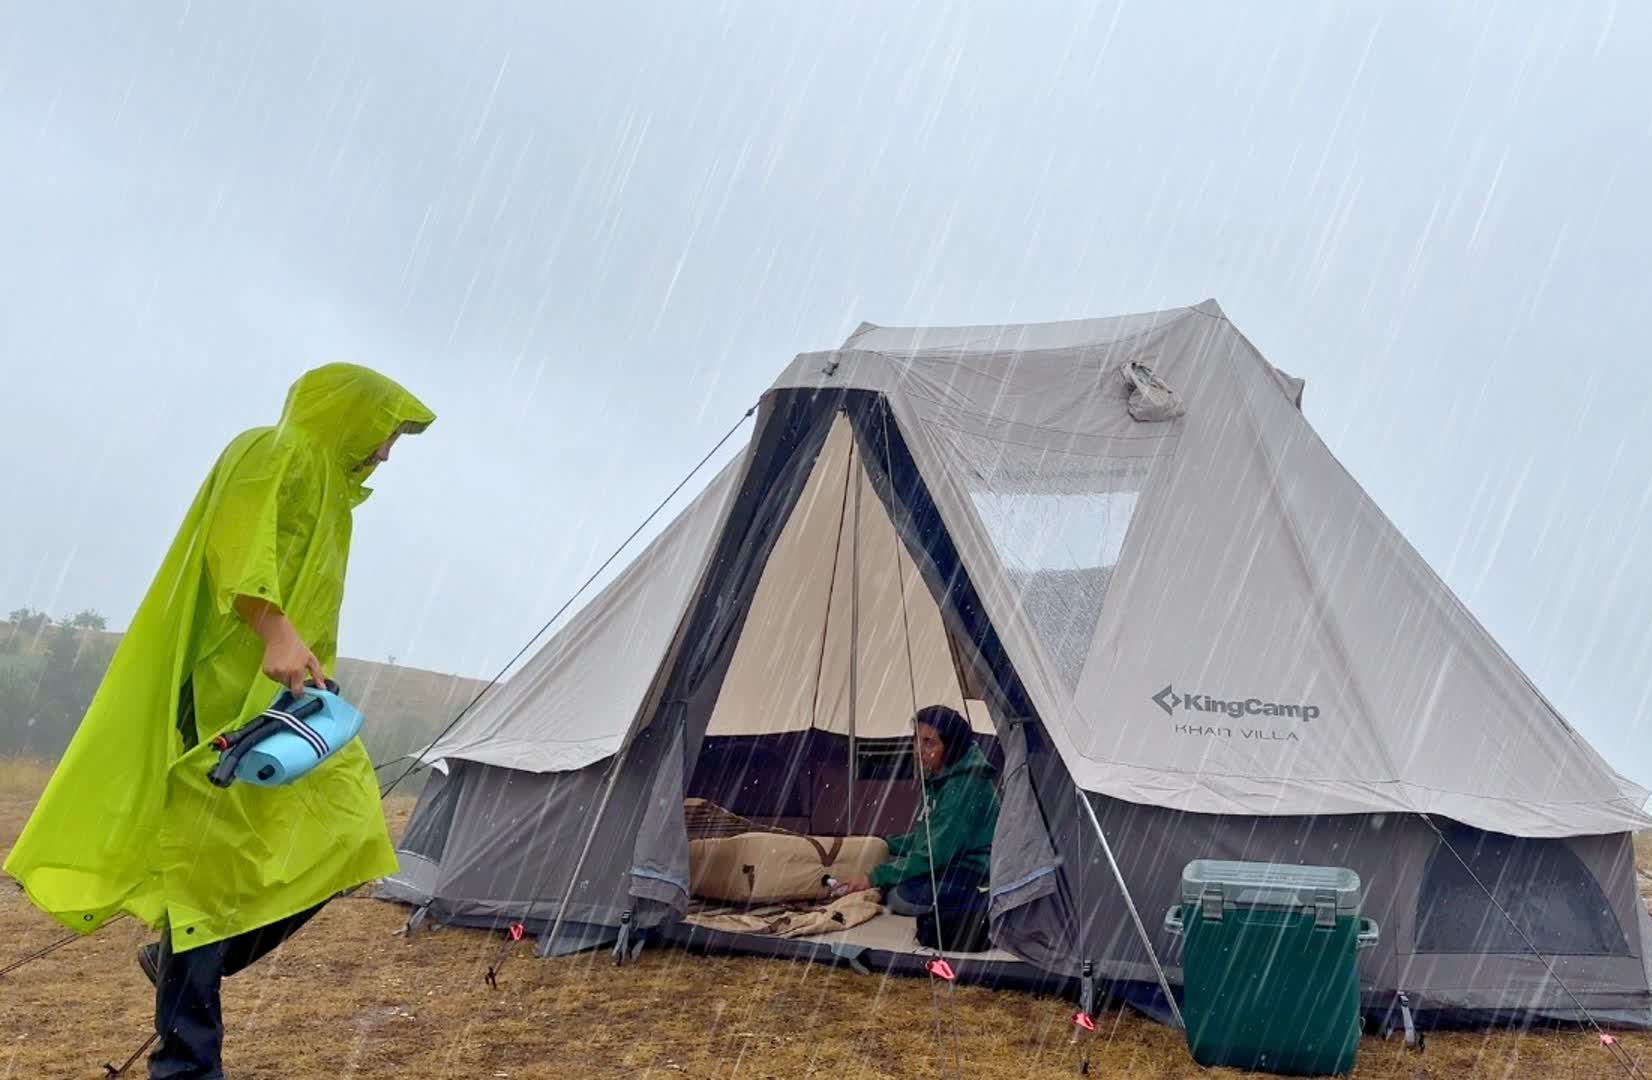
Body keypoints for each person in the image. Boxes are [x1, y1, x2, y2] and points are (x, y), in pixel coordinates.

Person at [3, 364, 434, 1079]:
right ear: (348, 414)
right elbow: (238, 549)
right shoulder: (270, 450)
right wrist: (272, 630)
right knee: (209, 874)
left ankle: (183, 957)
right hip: (218, 693)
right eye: (386, 433)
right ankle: (187, 1063)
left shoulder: (334, 500)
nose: (386, 453)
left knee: (354, 835)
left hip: (287, 706)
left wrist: (309, 661)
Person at [834, 704, 999, 917]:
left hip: (970, 871)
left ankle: (983, 901)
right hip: (946, 864)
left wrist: (872, 878)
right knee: (888, 871)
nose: (918, 750)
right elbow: (927, 837)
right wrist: (884, 842)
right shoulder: (938, 778)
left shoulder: (965, 785)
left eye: (929, 743)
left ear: (951, 747)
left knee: (899, 898)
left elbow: (935, 853)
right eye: (916, 739)